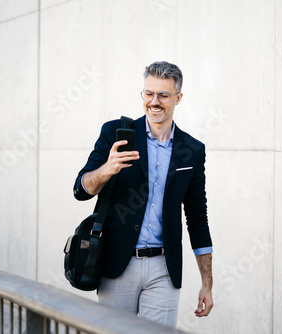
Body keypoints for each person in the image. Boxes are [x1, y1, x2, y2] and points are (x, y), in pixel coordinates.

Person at [73, 61, 213, 327]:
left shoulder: (192, 150)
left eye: (163, 95)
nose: (154, 101)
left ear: (178, 98)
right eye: (148, 93)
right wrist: (107, 169)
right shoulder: (116, 133)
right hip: (117, 265)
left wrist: (207, 282)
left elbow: (197, 217)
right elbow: (81, 190)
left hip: (164, 268)